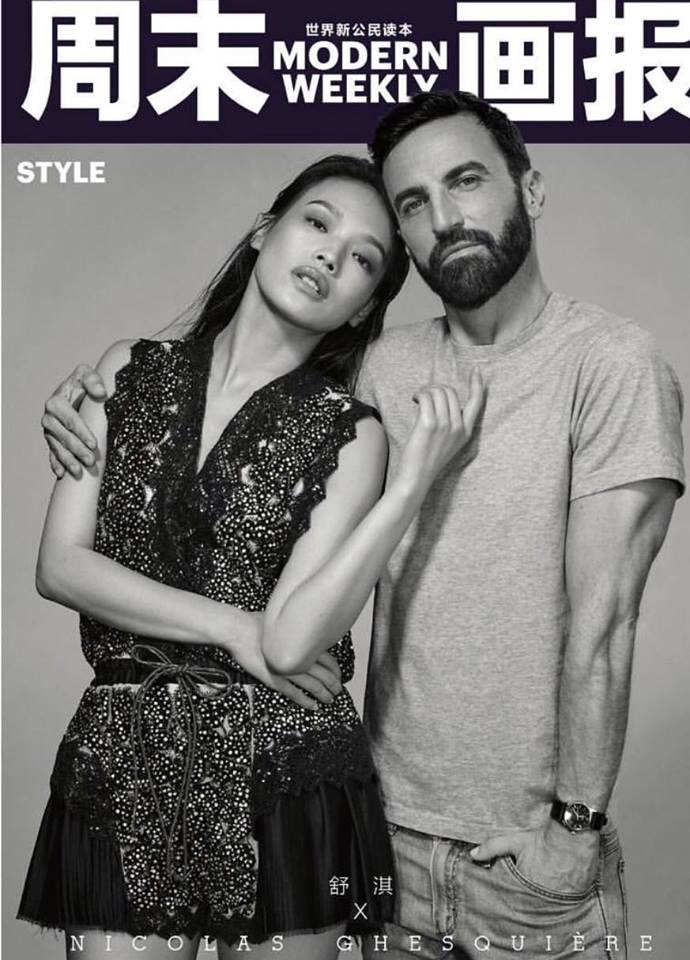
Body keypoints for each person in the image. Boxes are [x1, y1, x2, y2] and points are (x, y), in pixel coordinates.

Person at [39, 93, 685, 959]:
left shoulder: (609, 364)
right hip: (387, 830)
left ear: (530, 189)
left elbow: (606, 621)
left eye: (466, 181)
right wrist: (79, 401)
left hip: (519, 852)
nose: (444, 217)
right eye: (414, 202)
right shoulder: (382, 368)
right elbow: (218, 434)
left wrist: (574, 828)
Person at [19, 153, 484, 960]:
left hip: (285, 768)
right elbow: (60, 566)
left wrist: (410, 486)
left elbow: (292, 644)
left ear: (362, 309)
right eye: (317, 223)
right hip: (125, 751)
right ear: (265, 231)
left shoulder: (352, 433)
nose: (331, 256)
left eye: (363, 260)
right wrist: (235, 626)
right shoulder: (127, 371)